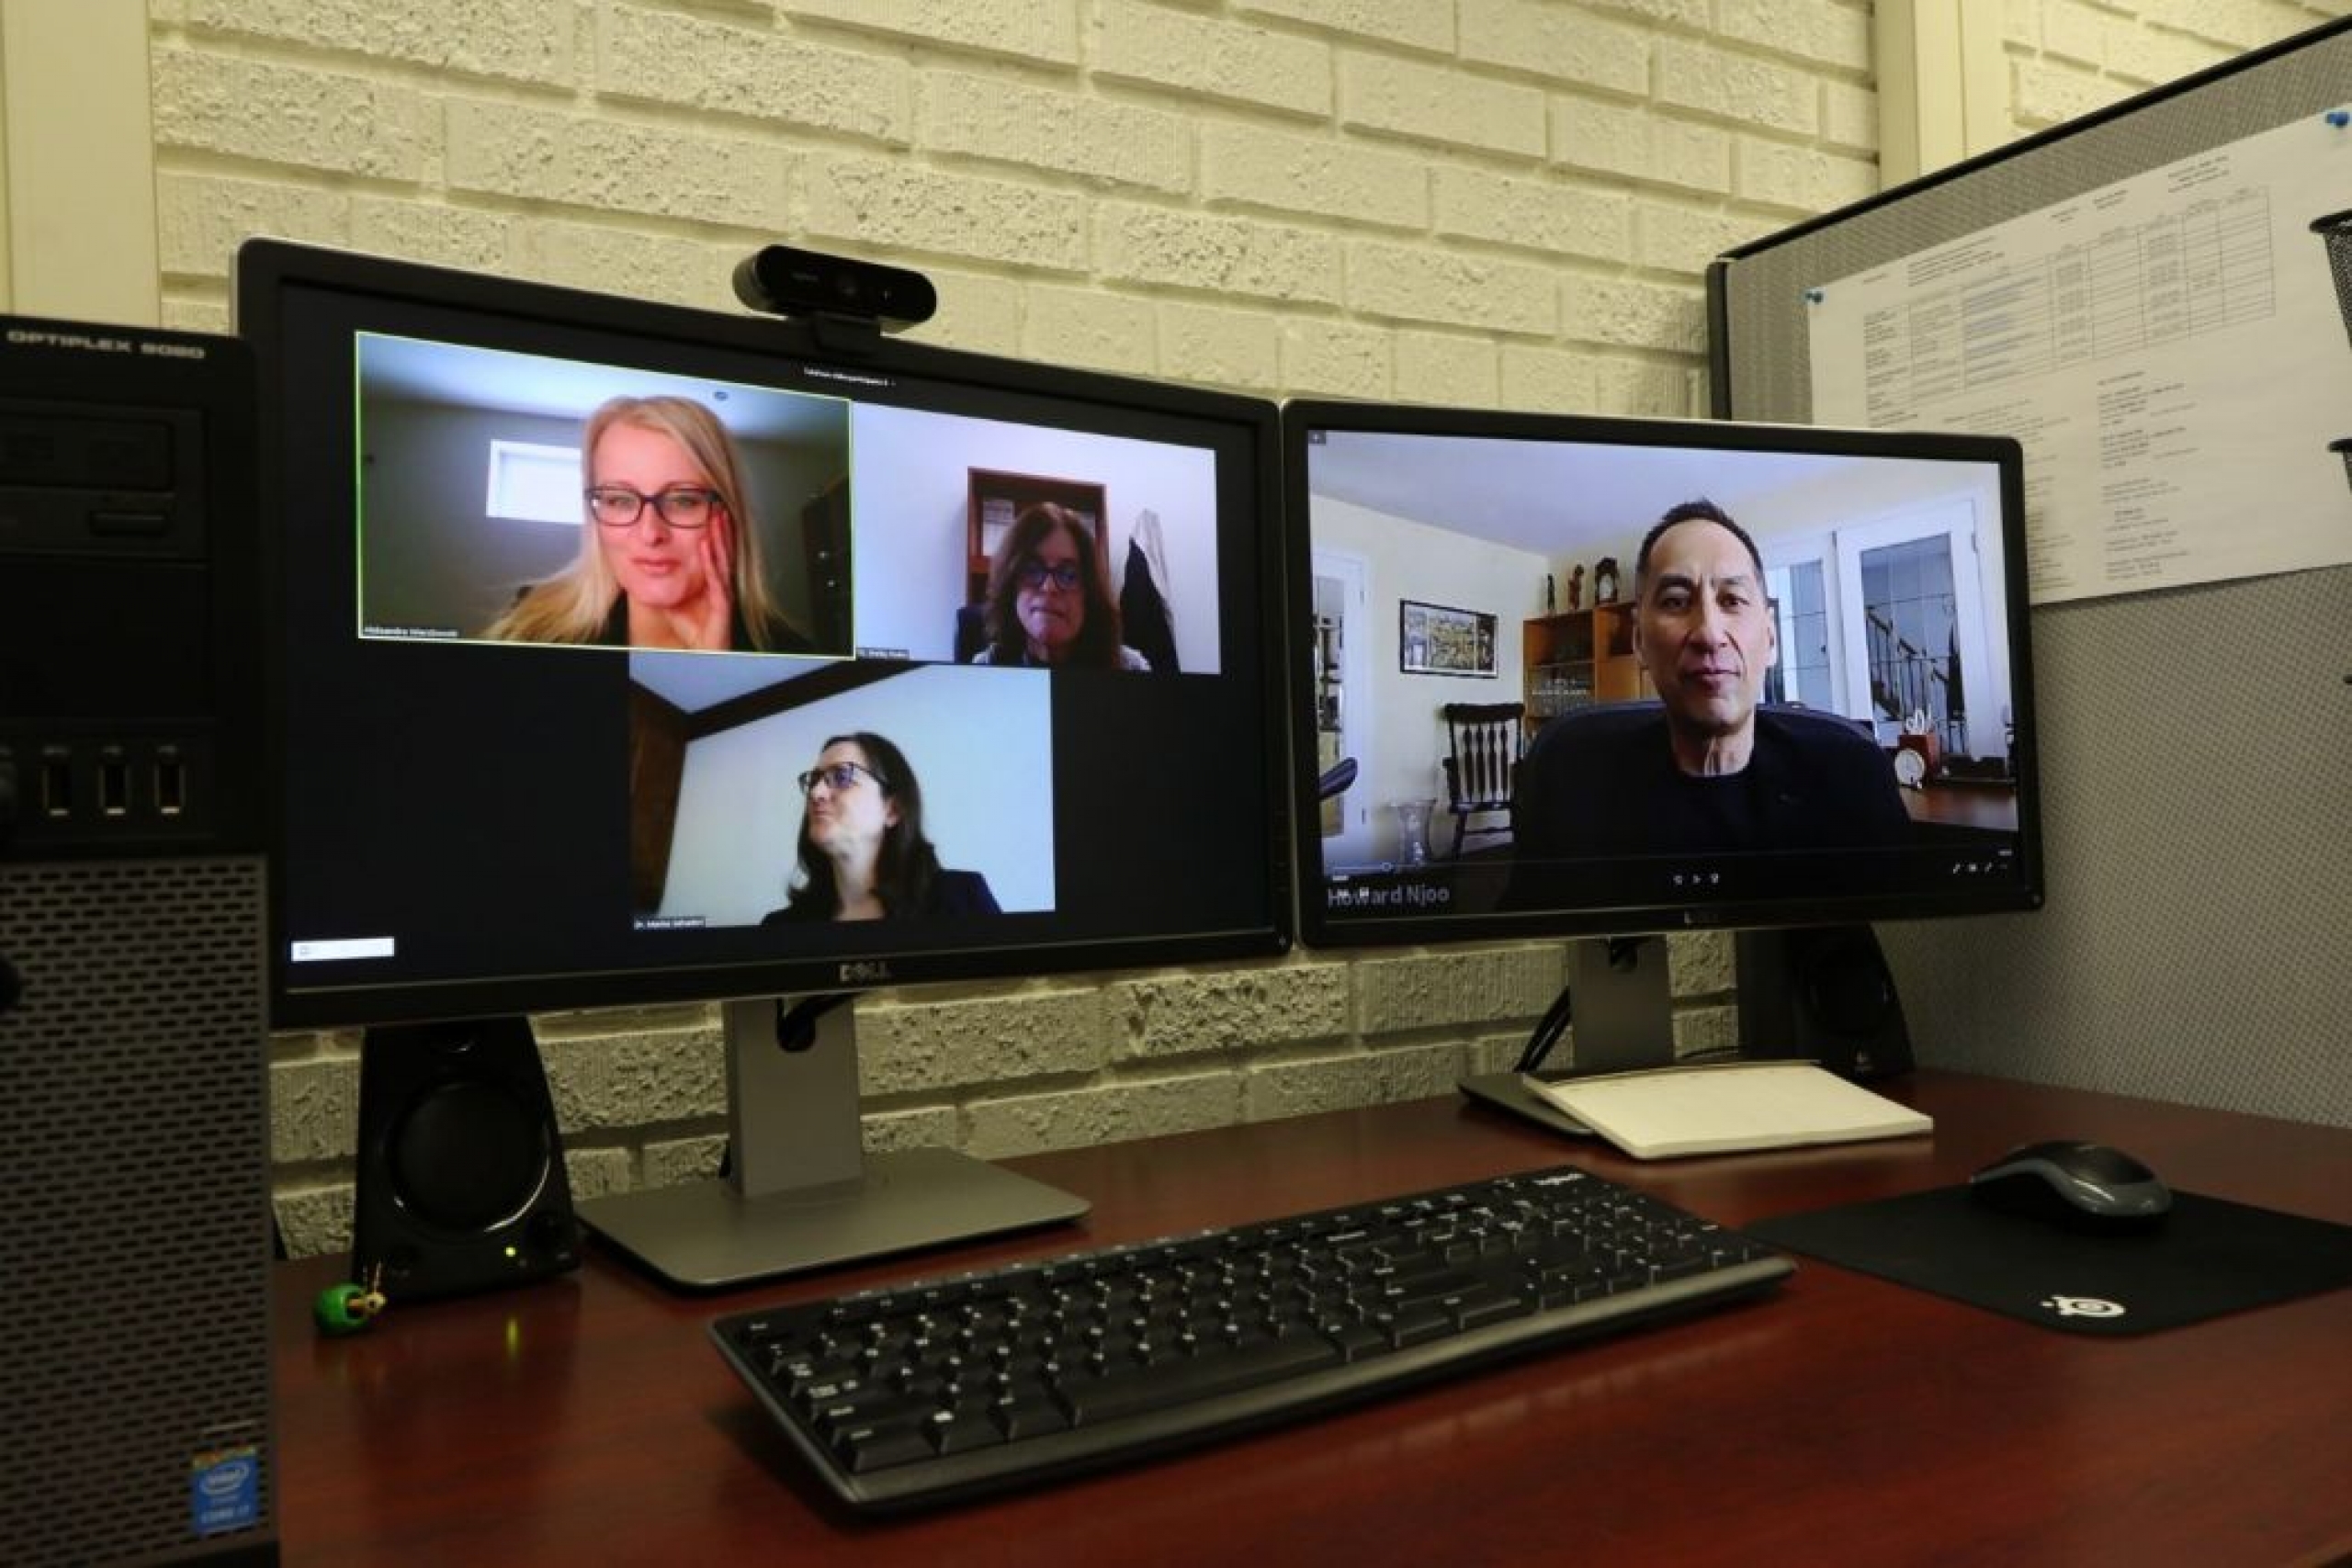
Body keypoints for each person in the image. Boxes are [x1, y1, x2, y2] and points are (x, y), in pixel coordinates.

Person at [1507, 500, 1912, 886]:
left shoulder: (1853, 776)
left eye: (1732, 600)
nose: (1709, 633)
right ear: (1639, 642)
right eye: (1675, 601)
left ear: (1771, 638)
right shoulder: (1570, 782)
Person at [486, 394, 811, 653]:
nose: (650, 534)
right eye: (620, 501)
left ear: (730, 512)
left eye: (684, 501)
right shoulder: (531, 627)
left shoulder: (793, 654)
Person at [759, 732, 1001, 923]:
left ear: (892, 810)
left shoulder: (963, 900)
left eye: (842, 777)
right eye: (814, 780)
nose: (816, 792)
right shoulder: (781, 928)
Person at [969, 502, 1150, 670]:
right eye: (1032, 570)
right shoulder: (986, 668)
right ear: (1011, 586)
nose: (1048, 587)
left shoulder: (1129, 669)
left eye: (1069, 576)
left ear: (1089, 594)